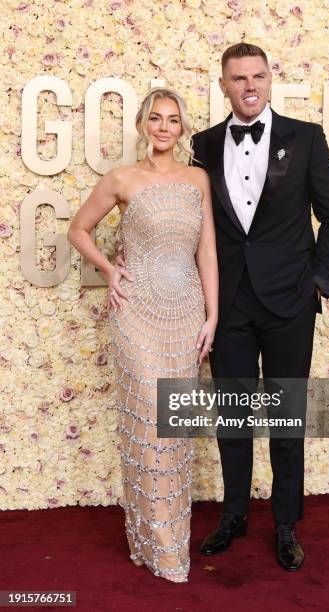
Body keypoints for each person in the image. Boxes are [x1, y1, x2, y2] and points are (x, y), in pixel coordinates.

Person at [188, 43, 329, 571]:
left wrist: (318, 280)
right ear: (223, 86)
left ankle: (285, 525)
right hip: (228, 304)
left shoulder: (306, 138)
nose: (249, 86)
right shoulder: (204, 144)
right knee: (232, 418)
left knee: (286, 419)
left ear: (270, 80)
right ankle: (234, 515)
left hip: (289, 304)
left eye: (257, 76)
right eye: (238, 79)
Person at [67, 87, 218, 583]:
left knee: (173, 427)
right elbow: (78, 230)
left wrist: (212, 316)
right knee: (149, 423)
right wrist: (111, 271)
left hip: (185, 314)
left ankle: (166, 542)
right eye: (155, 118)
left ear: (182, 128)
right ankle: (154, 544)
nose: (163, 127)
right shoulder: (120, 178)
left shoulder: (198, 178)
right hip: (136, 314)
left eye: (173, 120)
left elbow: (207, 253)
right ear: (141, 124)